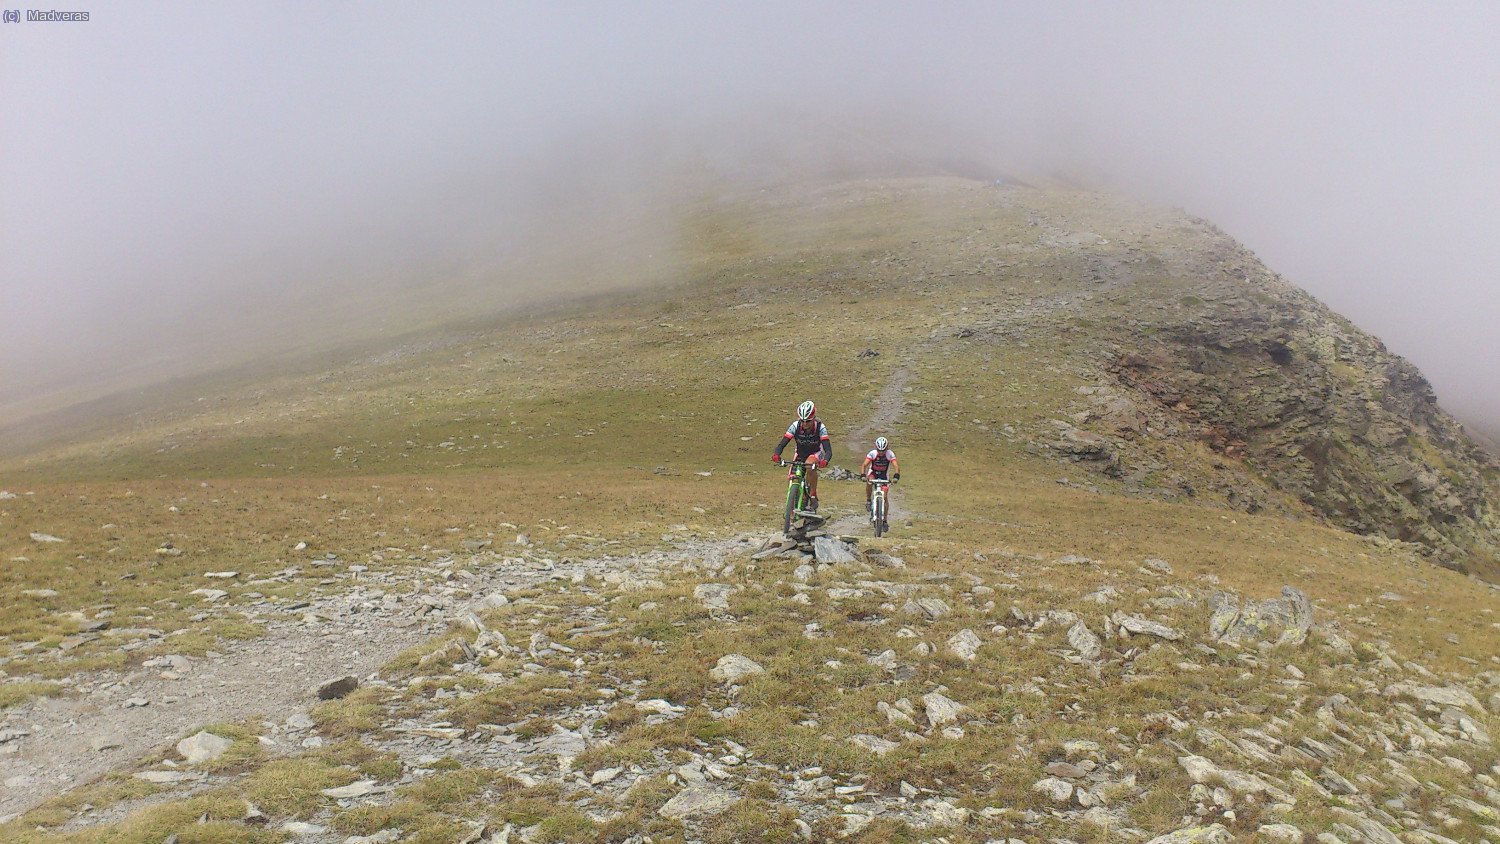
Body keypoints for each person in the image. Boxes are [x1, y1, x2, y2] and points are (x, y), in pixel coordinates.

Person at [772, 400, 831, 511]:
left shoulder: (820, 427)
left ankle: (813, 495)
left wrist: (825, 461)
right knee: (791, 478)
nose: (805, 424)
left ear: (813, 418)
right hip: (800, 453)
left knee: (809, 465)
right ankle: (792, 506)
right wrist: (776, 454)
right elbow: (782, 444)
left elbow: (828, 450)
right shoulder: (795, 426)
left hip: (816, 453)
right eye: (802, 420)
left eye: (808, 421)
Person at [862, 436, 900, 514]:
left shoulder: (890, 454)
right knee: (869, 482)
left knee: (885, 497)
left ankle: (885, 519)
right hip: (873, 473)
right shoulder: (872, 453)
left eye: (883, 450)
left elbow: (896, 466)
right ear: (876, 448)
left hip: (884, 475)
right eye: (879, 450)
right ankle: (868, 500)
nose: (881, 452)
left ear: (887, 448)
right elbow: (864, 465)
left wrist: (896, 476)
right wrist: (863, 475)